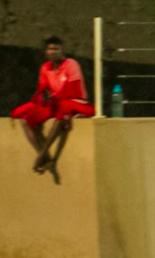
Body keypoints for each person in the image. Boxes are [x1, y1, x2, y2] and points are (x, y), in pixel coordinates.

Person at [11, 36, 95, 185]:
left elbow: (74, 91)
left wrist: (53, 96)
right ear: (46, 51)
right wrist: (40, 101)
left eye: (56, 49)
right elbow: (41, 91)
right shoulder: (45, 68)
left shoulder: (71, 64)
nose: (53, 52)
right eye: (50, 49)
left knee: (61, 115)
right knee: (26, 119)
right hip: (56, 103)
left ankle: (39, 158)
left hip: (75, 102)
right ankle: (46, 159)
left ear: (62, 50)